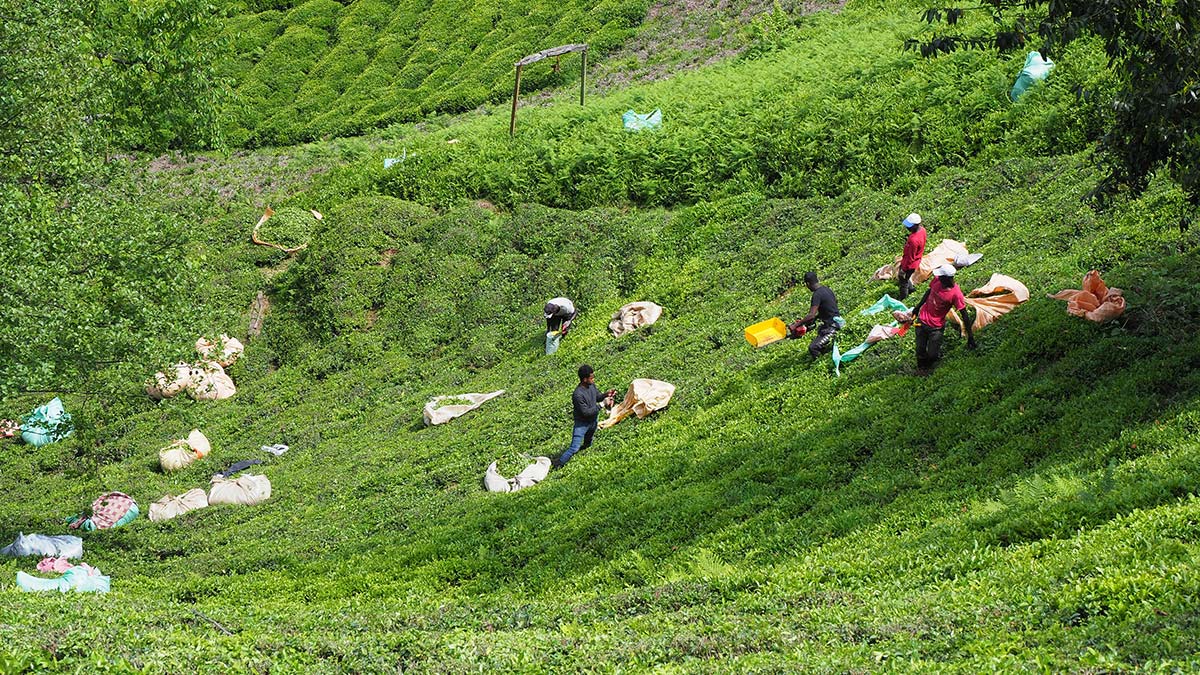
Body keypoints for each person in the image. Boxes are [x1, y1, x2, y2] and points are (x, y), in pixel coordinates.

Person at [910, 264, 976, 375]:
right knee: (920, 350)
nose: (938, 278)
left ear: (948, 278)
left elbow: (964, 315)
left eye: (941, 277)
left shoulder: (956, 294)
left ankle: (930, 368)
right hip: (922, 321)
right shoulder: (937, 281)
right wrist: (917, 307)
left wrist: (970, 337)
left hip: (936, 327)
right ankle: (921, 370)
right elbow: (928, 292)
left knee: (933, 355)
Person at [553, 364, 615, 467]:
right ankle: (558, 464)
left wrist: (606, 394)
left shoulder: (591, 386)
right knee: (574, 447)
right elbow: (586, 413)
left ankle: (582, 455)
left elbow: (597, 397)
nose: (593, 379)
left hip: (593, 421)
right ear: (584, 379)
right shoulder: (578, 395)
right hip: (582, 424)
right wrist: (602, 404)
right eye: (591, 378)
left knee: (588, 443)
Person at [787, 271, 843, 358]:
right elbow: (832, 304)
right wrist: (815, 319)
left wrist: (796, 325)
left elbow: (811, 315)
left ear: (808, 283)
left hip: (833, 327)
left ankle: (822, 363)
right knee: (820, 331)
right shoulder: (827, 289)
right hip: (836, 322)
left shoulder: (817, 295)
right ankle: (826, 353)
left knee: (813, 348)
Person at [897, 212, 926, 300]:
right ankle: (912, 289)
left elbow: (910, 257)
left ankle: (903, 299)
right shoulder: (922, 230)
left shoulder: (914, 240)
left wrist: (903, 269)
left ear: (915, 225)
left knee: (903, 280)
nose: (907, 227)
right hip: (916, 260)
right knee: (907, 277)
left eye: (909, 226)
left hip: (910, 264)